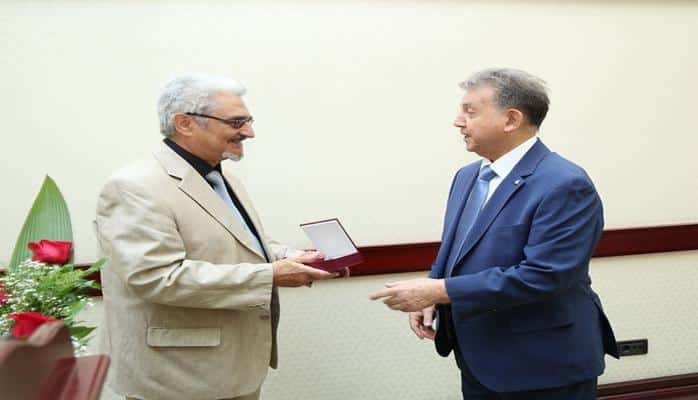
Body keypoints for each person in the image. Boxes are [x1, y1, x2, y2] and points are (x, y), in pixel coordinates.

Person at [371, 68, 618, 399]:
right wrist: (433, 290)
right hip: (479, 359)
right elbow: (458, 249)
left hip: (544, 362)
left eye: (470, 111)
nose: (458, 121)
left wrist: (441, 291)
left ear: (511, 119)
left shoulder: (565, 183)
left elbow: (544, 275)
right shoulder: (467, 177)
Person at [95, 74, 337, 400]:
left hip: (232, 369)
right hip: (177, 376)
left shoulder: (225, 178)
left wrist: (290, 257)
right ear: (184, 123)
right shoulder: (134, 186)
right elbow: (156, 277)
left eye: (248, 121)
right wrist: (270, 275)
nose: (249, 132)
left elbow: (242, 242)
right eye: (236, 122)